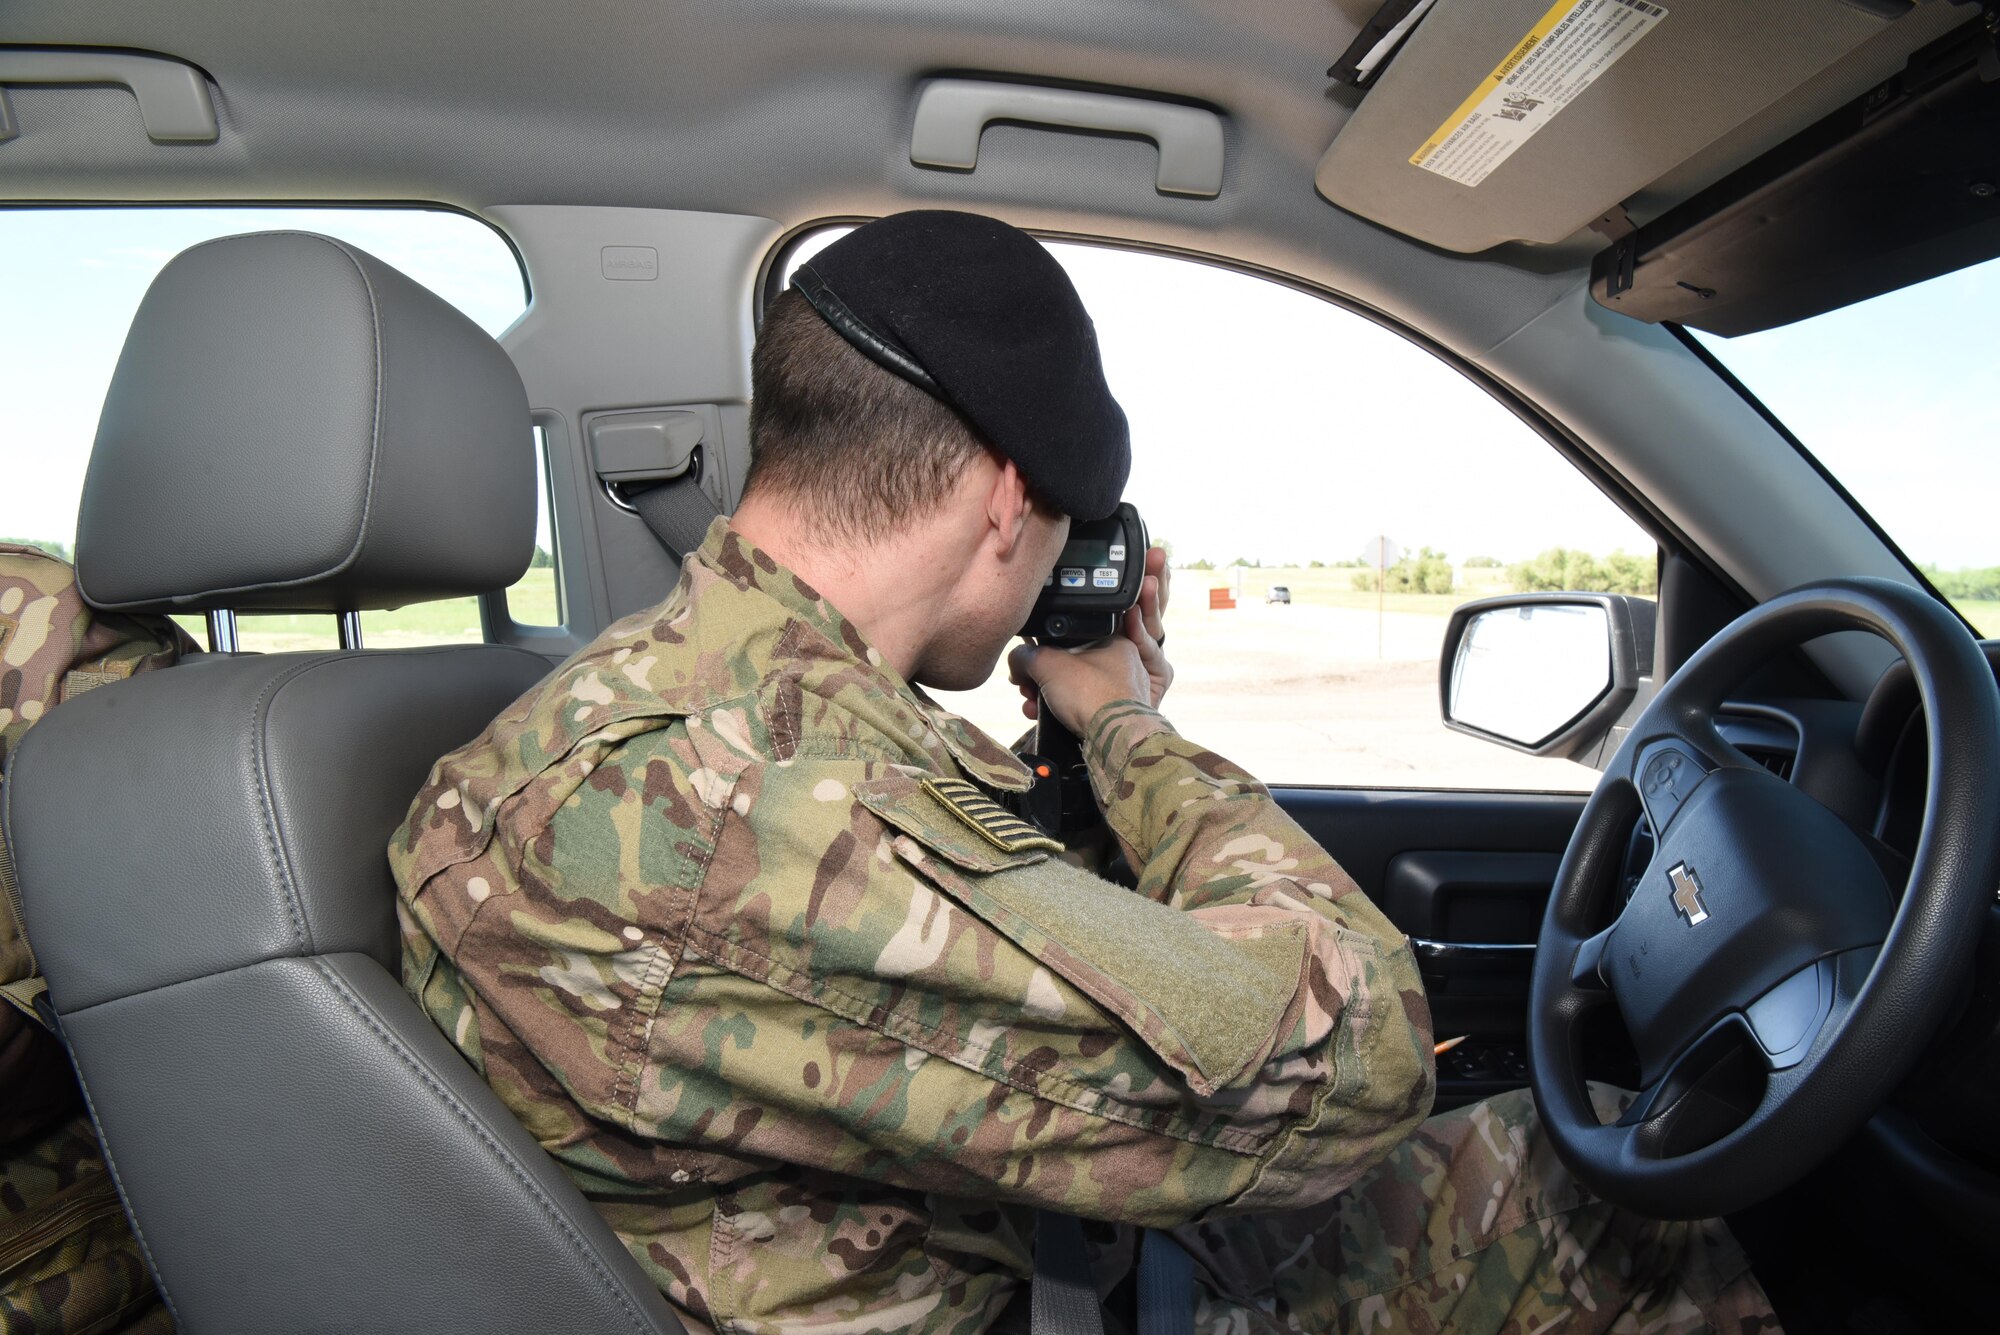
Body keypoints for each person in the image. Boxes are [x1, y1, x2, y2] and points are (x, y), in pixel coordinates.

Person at [390, 211, 1777, 1334]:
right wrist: (1125, 724)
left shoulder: (706, 707)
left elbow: (984, 910)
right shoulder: (711, 812)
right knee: (1592, 1197)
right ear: (1007, 501)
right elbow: (1356, 1056)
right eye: (1061, 529)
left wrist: (1074, 733)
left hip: (991, 1246)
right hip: (1016, 1292)